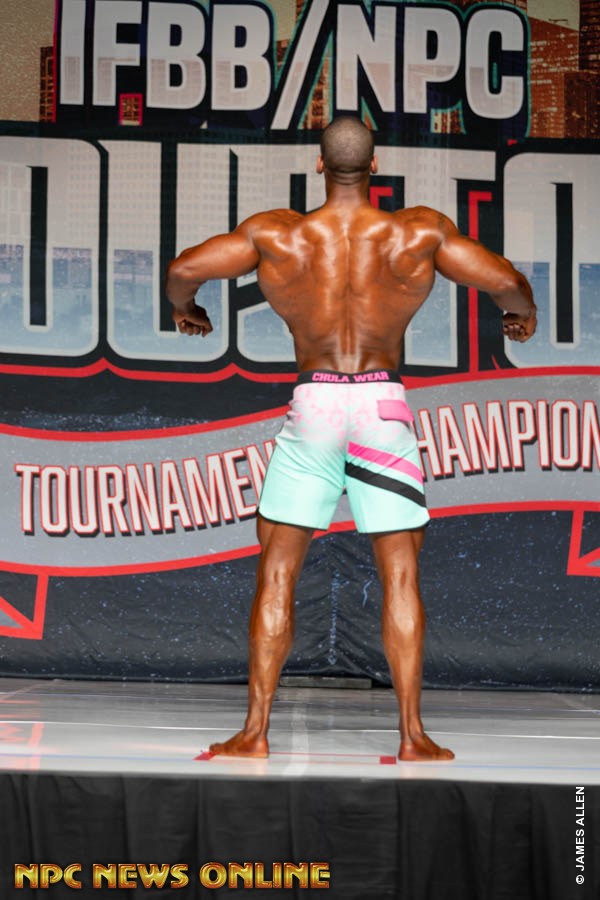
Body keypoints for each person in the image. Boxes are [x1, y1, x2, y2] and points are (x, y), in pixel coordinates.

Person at [166, 117, 536, 761]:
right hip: (380, 407)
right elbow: (506, 282)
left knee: (277, 571)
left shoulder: (277, 235)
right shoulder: (416, 232)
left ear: (319, 165)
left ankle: (255, 732)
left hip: (314, 406)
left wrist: (185, 307)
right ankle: (413, 736)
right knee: (401, 574)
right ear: (375, 166)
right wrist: (519, 316)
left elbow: (184, 268)